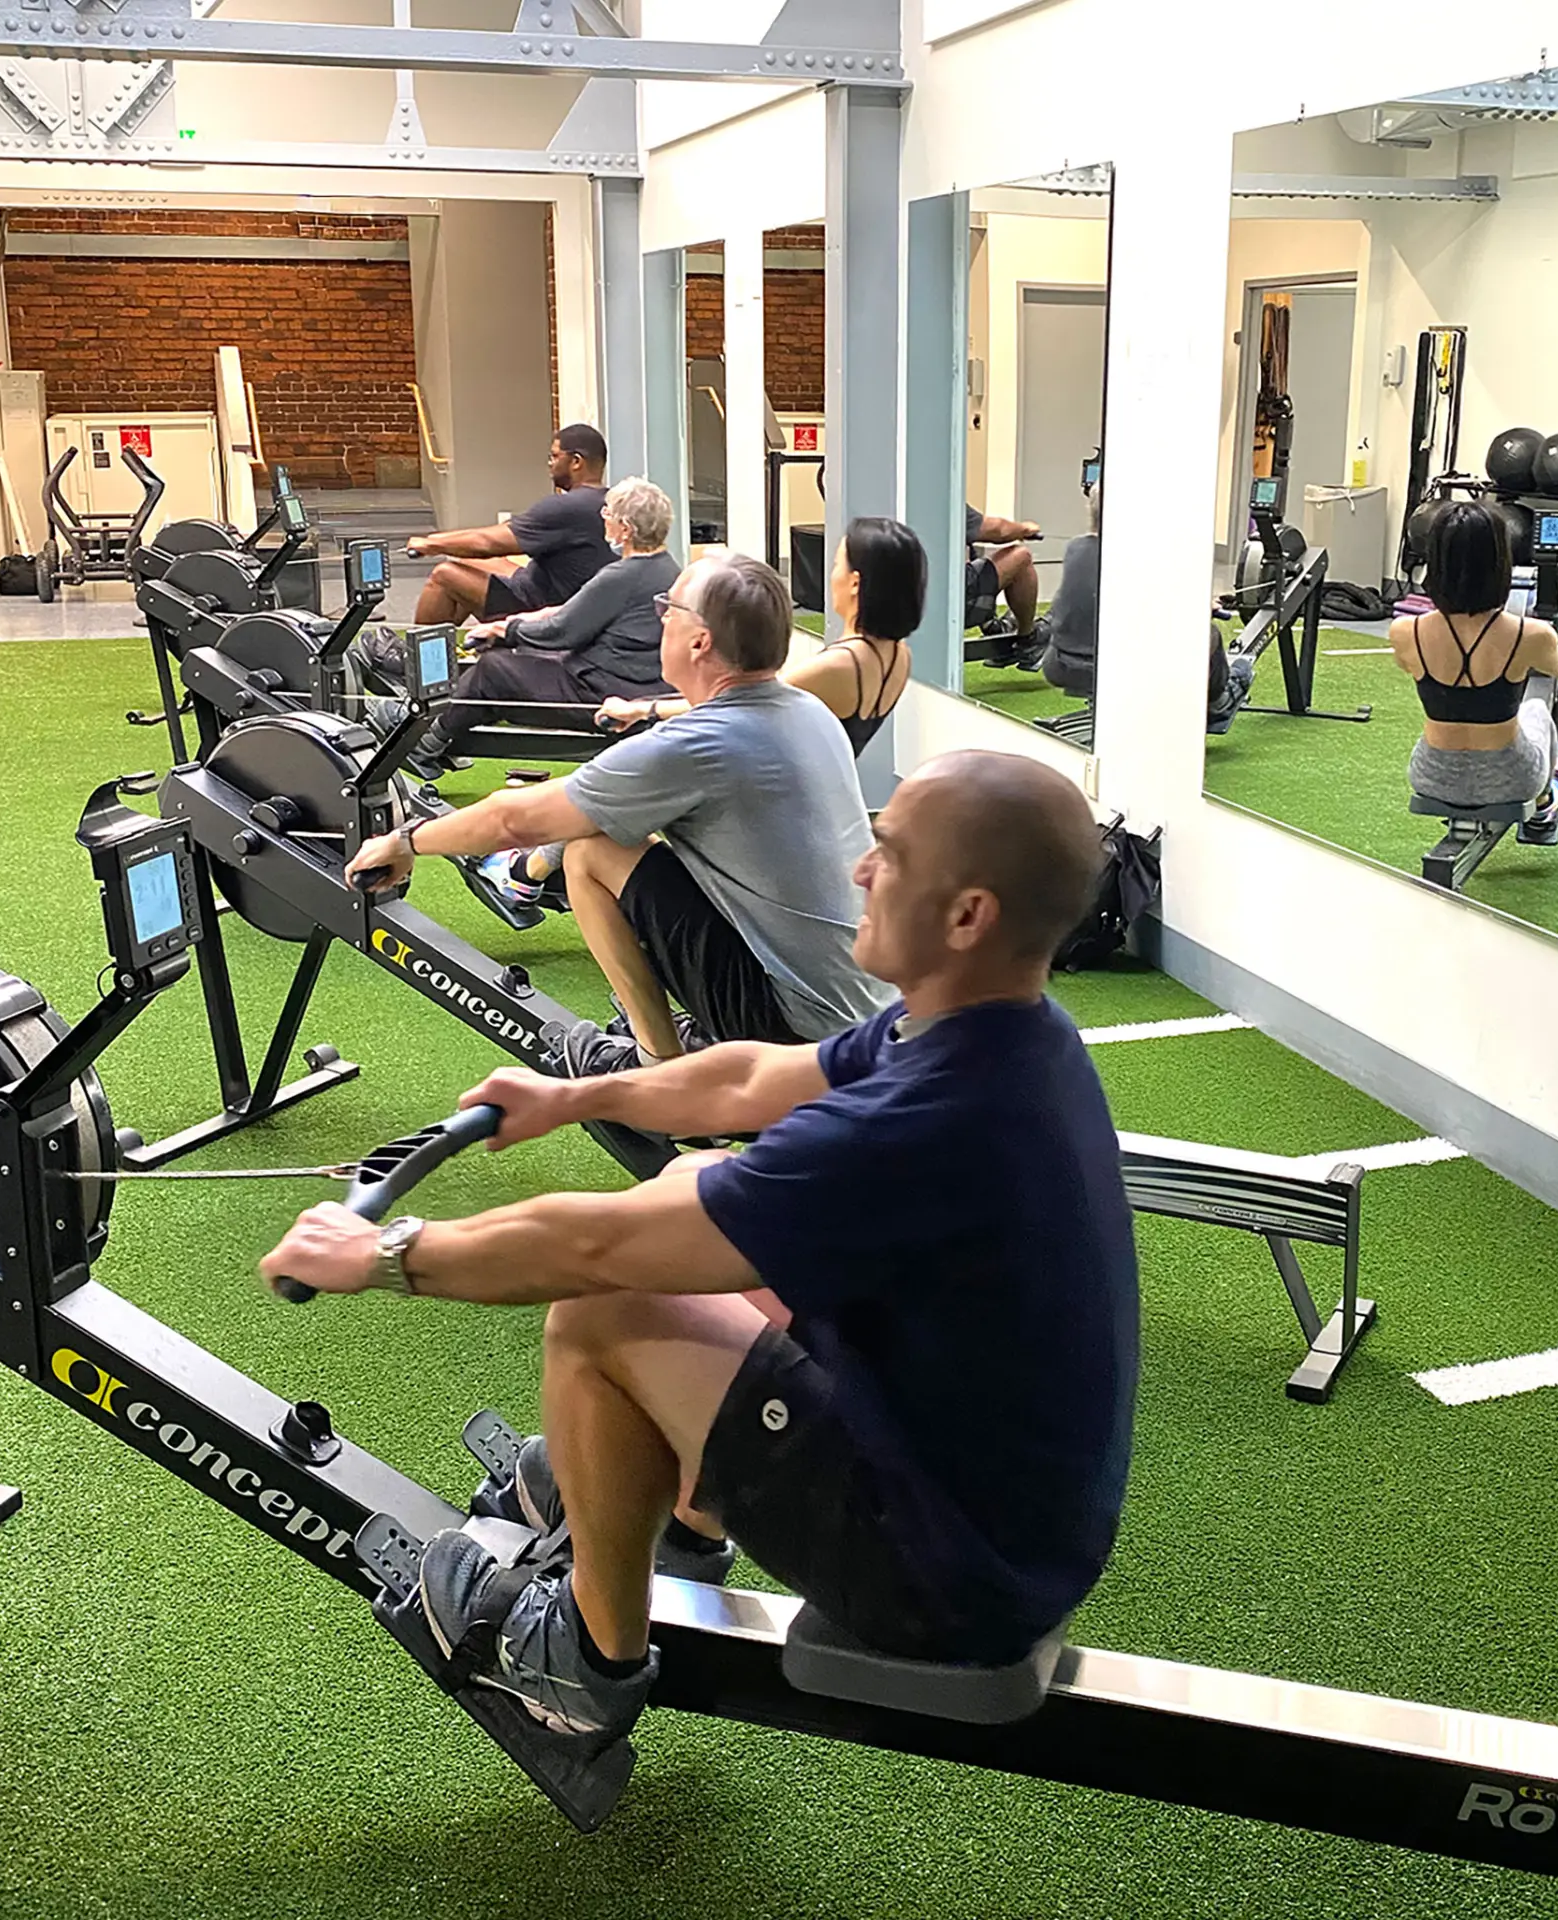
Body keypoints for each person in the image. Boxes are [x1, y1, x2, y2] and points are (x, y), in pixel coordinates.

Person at [261, 749, 1138, 1779]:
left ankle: (583, 1670)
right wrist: (577, 1096)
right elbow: (752, 1078)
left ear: (967, 917)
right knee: (706, 1206)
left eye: (889, 854)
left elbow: (594, 1249)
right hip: (1001, 1521)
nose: (859, 869)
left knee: (604, 1309)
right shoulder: (994, 1031)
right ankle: (672, 1503)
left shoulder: (928, 1117)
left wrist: (384, 1252)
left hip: (944, 1578)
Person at [344, 552, 888, 1067]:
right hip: (868, 1008)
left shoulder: (698, 745)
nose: (659, 622)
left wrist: (404, 841)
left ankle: (656, 1059)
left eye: (666, 610)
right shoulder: (808, 712)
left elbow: (516, 819)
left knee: (589, 849)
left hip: (796, 1026)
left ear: (699, 641)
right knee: (606, 833)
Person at [374, 478, 679, 783]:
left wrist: (510, 632)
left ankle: (425, 743)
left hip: (606, 693)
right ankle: (440, 725)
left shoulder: (621, 576)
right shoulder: (668, 569)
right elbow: (569, 610)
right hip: (630, 683)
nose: (604, 518)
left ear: (625, 529)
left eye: (608, 514)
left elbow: (562, 630)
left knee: (494, 669)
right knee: (510, 657)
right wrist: (507, 625)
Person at [597, 516, 926, 759]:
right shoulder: (899, 654)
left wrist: (643, 709)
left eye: (837, 564)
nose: (831, 574)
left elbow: (736, 703)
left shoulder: (840, 666)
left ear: (855, 583)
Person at [1390, 498, 1558, 842]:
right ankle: (1544, 804)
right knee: (1537, 709)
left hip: (1431, 775)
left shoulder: (1405, 633)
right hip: (1512, 778)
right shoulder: (1532, 634)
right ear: (1499, 563)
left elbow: (1408, 664)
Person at [406, 424, 615, 628]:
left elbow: (486, 544)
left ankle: (420, 659)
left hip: (547, 607)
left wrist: (430, 543)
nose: (550, 463)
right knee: (467, 562)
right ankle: (459, 645)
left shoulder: (566, 507)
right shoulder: (609, 500)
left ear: (576, 461)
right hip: (562, 592)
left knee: (443, 575)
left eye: (554, 456)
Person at [1039, 486, 1098, 701]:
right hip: (1111, 668)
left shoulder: (1075, 547)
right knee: (1209, 637)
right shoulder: (1139, 556)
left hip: (1059, 665)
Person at [964, 503, 1043, 666]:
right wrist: (1024, 529)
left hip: (909, 600)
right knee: (1021, 556)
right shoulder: (944, 497)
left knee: (972, 558)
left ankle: (991, 627)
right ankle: (1027, 640)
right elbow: (998, 530)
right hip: (950, 602)